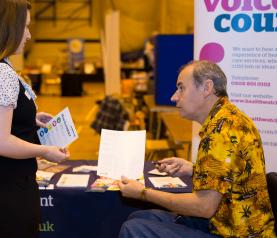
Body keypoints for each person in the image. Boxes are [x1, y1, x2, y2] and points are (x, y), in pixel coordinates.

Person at [118, 60, 275, 237]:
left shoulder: (221, 131)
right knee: (139, 216)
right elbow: (230, 174)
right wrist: (193, 169)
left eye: (181, 88)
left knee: (133, 229)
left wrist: (143, 193)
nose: (174, 97)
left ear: (207, 88)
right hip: (226, 222)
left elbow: (204, 207)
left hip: (236, 233)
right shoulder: (228, 118)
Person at [0, 0, 69, 237]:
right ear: (6, 28)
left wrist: (29, 119)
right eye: (24, 27)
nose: (28, 35)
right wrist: (44, 151)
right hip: (6, 192)